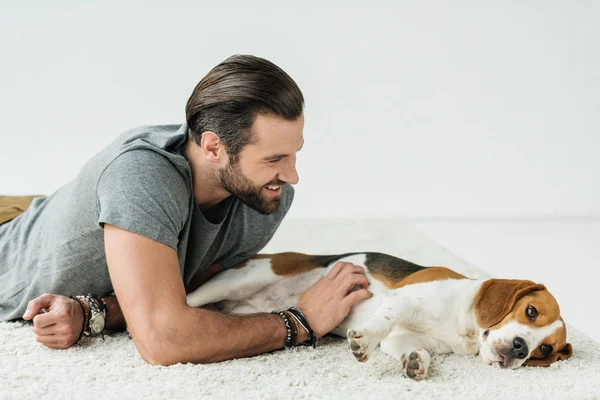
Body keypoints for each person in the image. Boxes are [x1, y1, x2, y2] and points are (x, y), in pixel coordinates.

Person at [0, 55, 372, 365]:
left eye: (294, 153)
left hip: (44, 208)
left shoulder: (267, 195)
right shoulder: (140, 176)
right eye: (274, 159)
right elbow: (162, 340)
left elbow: (187, 289)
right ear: (212, 148)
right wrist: (298, 322)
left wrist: (92, 312)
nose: (291, 176)